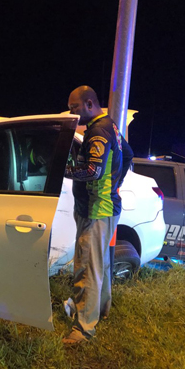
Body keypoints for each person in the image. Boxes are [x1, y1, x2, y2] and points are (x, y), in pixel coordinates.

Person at [63, 85, 133, 345]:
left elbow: (92, 170)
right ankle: (101, 310)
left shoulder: (98, 132)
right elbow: (128, 154)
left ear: (90, 103)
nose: (73, 113)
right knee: (99, 263)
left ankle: (83, 328)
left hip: (96, 208)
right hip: (105, 206)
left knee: (87, 268)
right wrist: (115, 182)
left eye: (75, 107)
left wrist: (66, 171)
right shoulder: (111, 126)